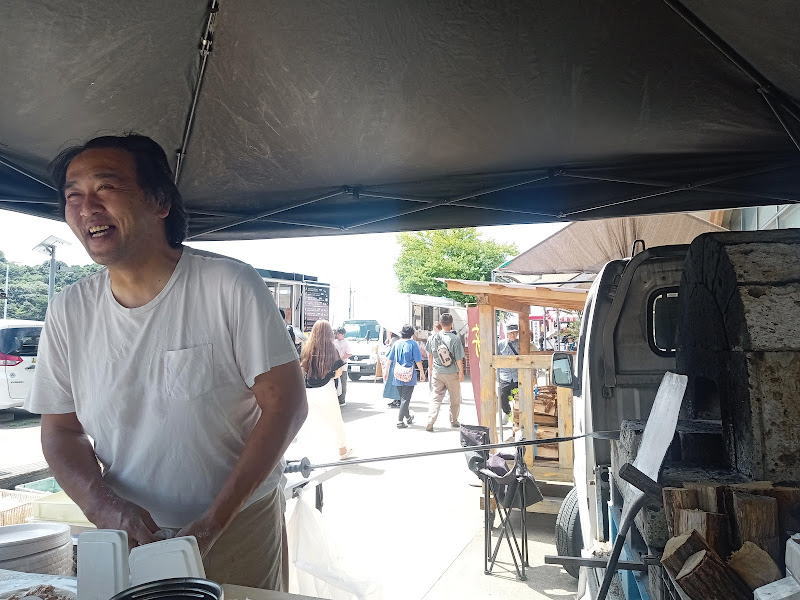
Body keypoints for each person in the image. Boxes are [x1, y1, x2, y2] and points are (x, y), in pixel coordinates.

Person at [26, 134, 307, 590]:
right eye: (73, 195)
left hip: (238, 526)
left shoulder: (228, 285)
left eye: (106, 187)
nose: (86, 207)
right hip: (130, 535)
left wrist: (214, 521)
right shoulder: (69, 310)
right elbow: (61, 430)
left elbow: (286, 406)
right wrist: (102, 507)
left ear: (159, 202)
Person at [299, 320, 352, 460]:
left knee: (311, 419)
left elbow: (302, 368)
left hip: (309, 389)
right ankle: (342, 450)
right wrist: (329, 375)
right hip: (326, 388)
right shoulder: (332, 349)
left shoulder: (307, 348)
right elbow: (339, 372)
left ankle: (309, 452)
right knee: (334, 418)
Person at [425, 313, 465, 431]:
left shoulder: (432, 337)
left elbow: (430, 355)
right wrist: (461, 372)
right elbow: (458, 359)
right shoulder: (455, 339)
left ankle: (430, 421)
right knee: (454, 398)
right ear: (451, 324)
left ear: (440, 323)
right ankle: (454, 420)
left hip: (437, 372)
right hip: (452, 373)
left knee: (435, 397)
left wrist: (431, 369)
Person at [385, 325, 426, 428]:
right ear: (411, 334)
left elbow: (389, 359)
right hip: (409, 374)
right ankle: (400, 421)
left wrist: (386, 372)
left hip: (397, 374)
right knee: (405, 400)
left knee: (403, 398)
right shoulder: (413, 344)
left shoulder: (396, 343)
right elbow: (418, 360)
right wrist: (422, 373)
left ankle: (408, 418)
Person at [497, 324, 520, 421]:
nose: (513, 335)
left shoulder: (521, 344)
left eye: (515, 333)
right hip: (504, 376)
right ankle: (507, 412)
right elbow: (496, 359)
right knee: (503, 397)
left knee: (518, 398)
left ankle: (518, 418)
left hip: (517, 376)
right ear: (507, 334)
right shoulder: (500, 344)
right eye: (511, 333)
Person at [332, 327, 352, 406]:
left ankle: (342, 400)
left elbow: (349, 353)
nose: (338, 335)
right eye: (337, 334)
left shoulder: (346, 343)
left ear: (343, 334)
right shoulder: (334, 342)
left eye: (339, 334)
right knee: (335, 382)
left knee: (343, 382)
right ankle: (335, 399)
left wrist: (340, 359)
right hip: (334, 366)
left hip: (343, 365)